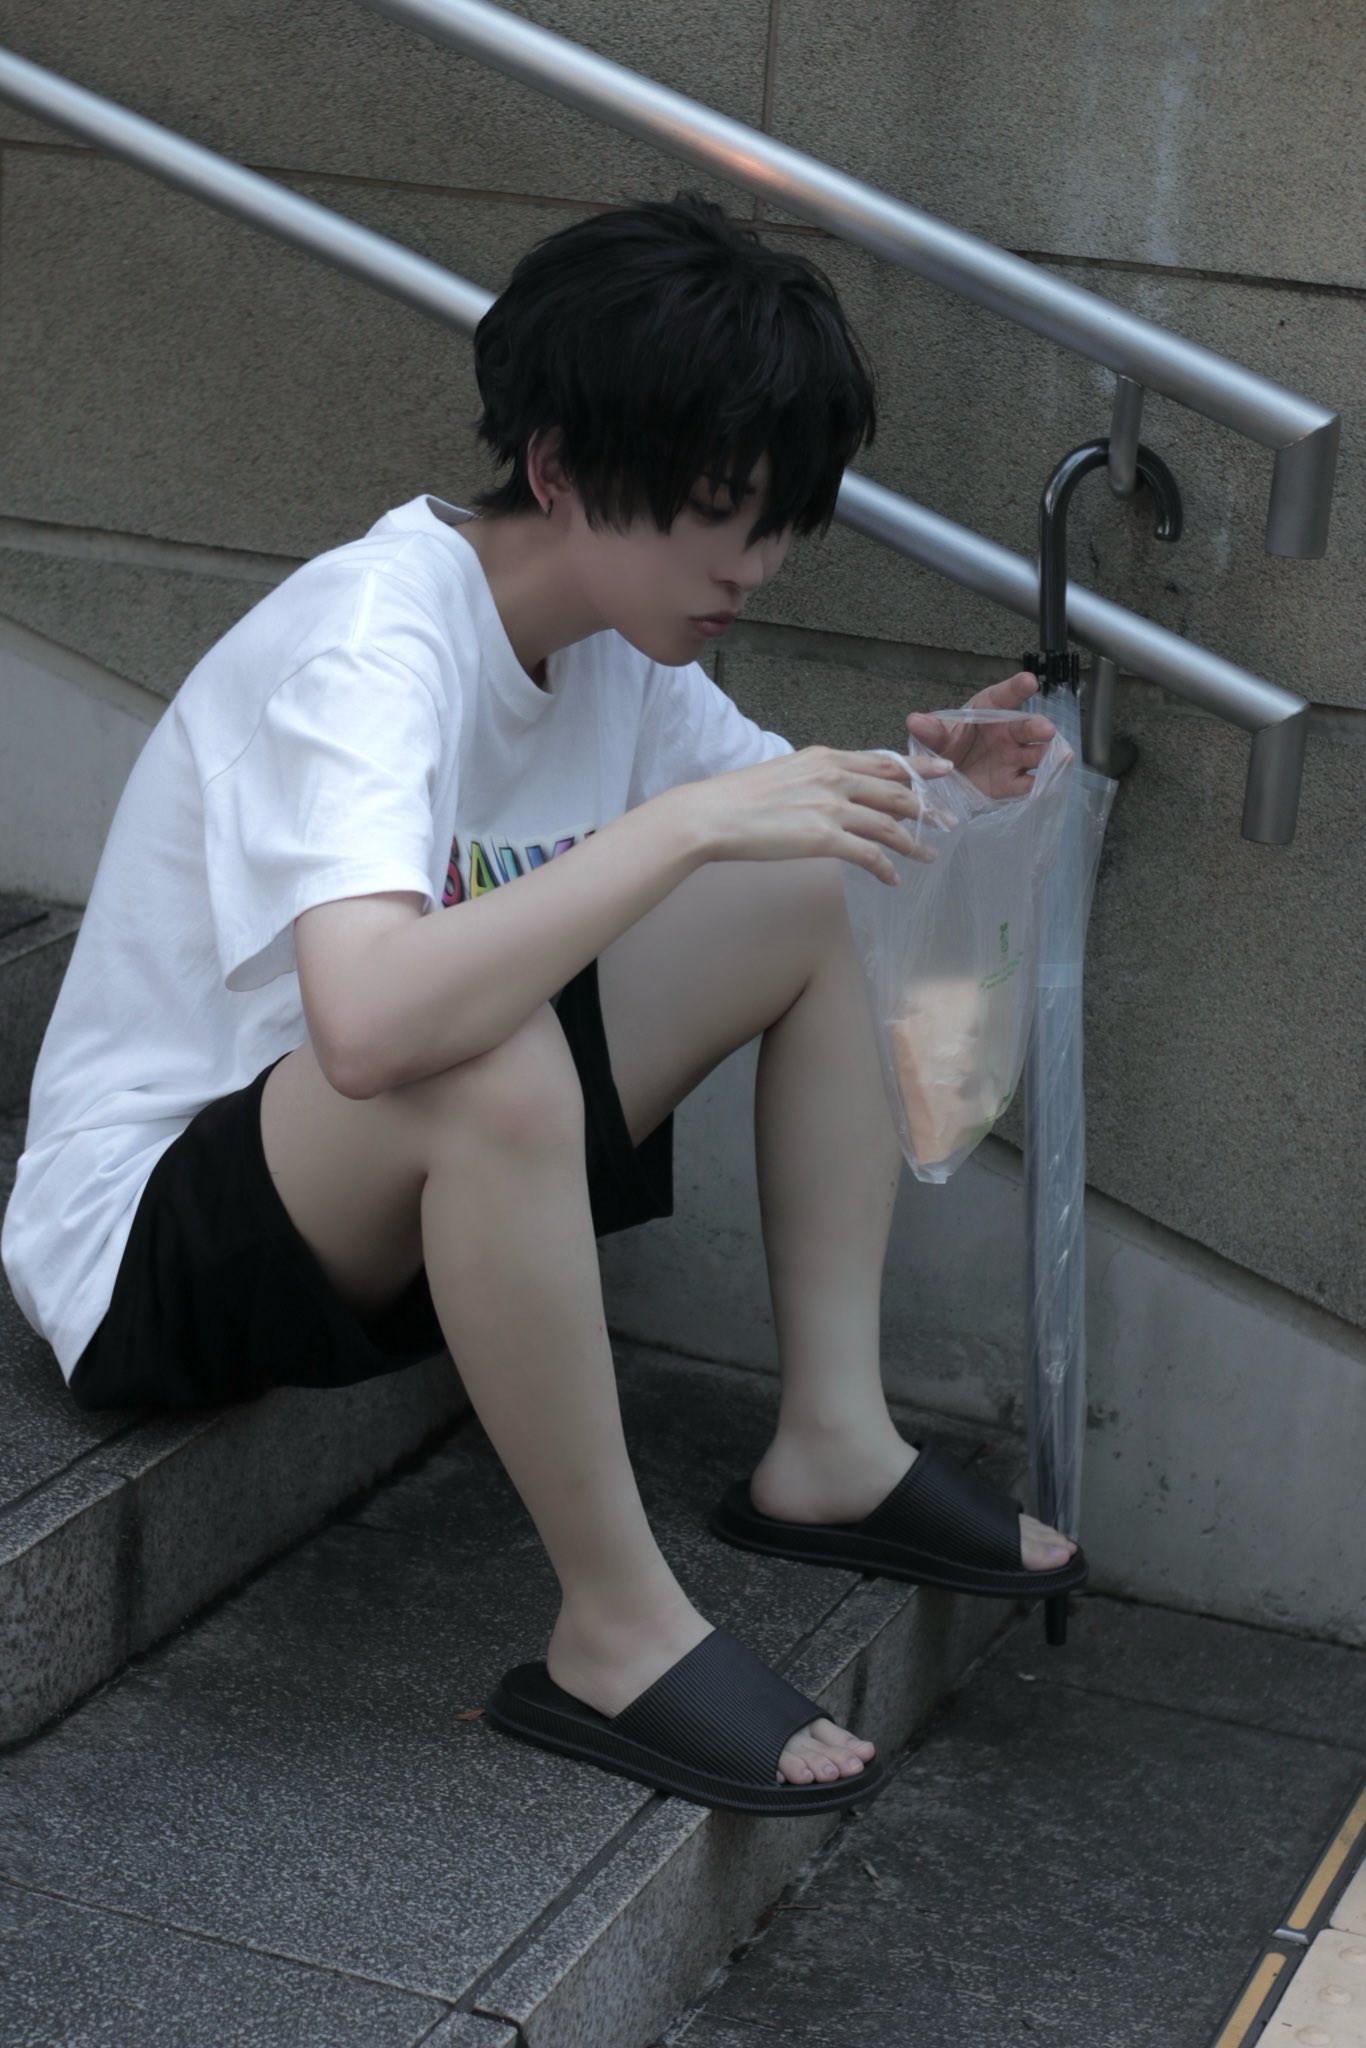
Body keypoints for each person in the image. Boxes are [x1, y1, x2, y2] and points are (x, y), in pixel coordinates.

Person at [1, 191, 1085, 1816]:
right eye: (715, 512)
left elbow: (766, 830)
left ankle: (833, 1444)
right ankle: (616, 1628)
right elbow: (368, 1030)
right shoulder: (375, 640)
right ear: (562, 465)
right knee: (482, 1051)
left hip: (382, 1177)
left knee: (825, 876)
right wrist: (685, 826)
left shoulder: (623, 645)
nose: (749, 566)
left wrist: (937, 783)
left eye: (777, 521)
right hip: (160, 1234)